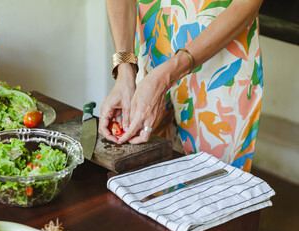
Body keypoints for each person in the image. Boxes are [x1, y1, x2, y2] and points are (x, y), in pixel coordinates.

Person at [99, 0, 264, 173]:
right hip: (150, 44)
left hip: (221, 58)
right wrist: (125, 69)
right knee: (138, 174)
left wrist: (166, 76)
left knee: (213, 182)